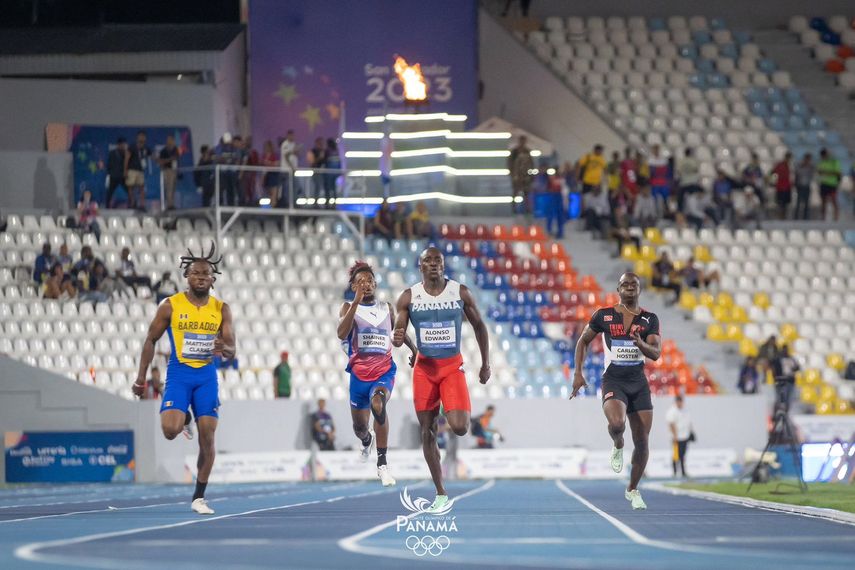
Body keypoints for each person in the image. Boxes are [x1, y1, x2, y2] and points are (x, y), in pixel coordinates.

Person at [132, 243, 235, 515]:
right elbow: (150, 339)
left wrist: (223, 348)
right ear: (187, 276)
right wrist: (141, 378)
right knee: (169, 431)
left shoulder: (221, 308)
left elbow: (232, 349)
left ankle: (199, 496)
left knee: (207, 438)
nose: (201, 277)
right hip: (179, 374)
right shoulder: (170, 305)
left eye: (206, 274)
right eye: (196, 273)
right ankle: (185, 418)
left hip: (206, 377)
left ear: (213, 279)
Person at [393, 247, 491, 512]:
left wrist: (486, 363)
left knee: (460, 427)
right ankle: (440, 492)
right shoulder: (408, 296)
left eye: (438, 260)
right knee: (427, 431)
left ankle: (451, 405)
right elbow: (399, 330)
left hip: (450, 367)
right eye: (428, 260)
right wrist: (401, 340)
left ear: (444, 265)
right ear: (420, 265)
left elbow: (480, 326)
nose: (434, 264)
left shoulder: (460, 292)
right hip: (425, 370)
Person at [571, 273, 662, 510]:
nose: (630, 287)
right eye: (625, 284)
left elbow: (655, 353)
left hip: (638, 383)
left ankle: (632, 489)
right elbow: (583, 341)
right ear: (618, 289)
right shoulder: (604, 315)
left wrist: (641, 344)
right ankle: (618, 443)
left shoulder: (649, 319)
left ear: (639, 290)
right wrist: (578, 373)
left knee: (642, 441)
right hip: (614, 380)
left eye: (634, 284)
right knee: (618, 424)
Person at [338, 262, 417, 486]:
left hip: (383, 371)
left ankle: (382, 465)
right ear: (353, 286)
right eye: (360, 282)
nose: (367, 284)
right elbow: (341, 333)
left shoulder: (386, 308)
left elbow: (398, 333)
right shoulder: (347, 307)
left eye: (370, 281)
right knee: (359, 428)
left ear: (375, 284)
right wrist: (355, 302)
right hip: (358, 377)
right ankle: (367, 440)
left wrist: (414, 350)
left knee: (379, 404)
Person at [666, 395, 693, 478]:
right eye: (679, 401)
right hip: (676, 437)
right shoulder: (672, 411)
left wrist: (690, 433)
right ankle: (674, 472)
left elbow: (688, 422)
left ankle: (683, 472)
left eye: (681, 401)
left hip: (685, 436)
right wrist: (675, 435)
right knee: (676, 455)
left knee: (683, 455)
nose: (680, 403)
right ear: (676, 402)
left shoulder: (685, 410)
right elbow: (671, 424)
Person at [509, 136, 534, 215]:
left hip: (525, 175)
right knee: (515, 192)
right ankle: (514, 208)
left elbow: (531, 164)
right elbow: (510, 163)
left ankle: (527, 208)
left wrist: (530, 174)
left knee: (526, 193)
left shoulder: (527, 151)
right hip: (517, 175)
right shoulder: (515, 151)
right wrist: (513, 174)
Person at [126, 130, 151, 211]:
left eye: (143, 137)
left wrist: (161, 161)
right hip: (132, 170)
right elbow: (127, 158)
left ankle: (142, 205)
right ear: (137, 137)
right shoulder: (132, 147)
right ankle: (132, 203)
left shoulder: (146, 148)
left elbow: (153, 156)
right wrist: (125, 170)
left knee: (141, 187)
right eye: (140, 137)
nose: (142, 138)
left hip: (140, 171)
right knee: (130, 187)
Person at [817, 148, 841, 221]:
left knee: (834, 201)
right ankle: (823, 218)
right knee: (823, 202)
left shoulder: (834, 161)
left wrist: (826, 173)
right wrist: (829, 173)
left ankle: (836, 218)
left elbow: (837, 173)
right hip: (823, 184)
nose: (823, 157)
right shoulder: (821, 162)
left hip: (832, 184)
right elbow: (819, 172)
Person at [159, 134, 180, 210]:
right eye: (168, 140)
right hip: (167, 171)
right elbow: (161, 161)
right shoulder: (164, 151)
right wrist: (169, 159)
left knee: (173, 188)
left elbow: (176, 158)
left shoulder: (175, 149)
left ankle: (172, 203)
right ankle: (169, 205)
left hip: (174, 170)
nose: (170, 141)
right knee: (169, 188)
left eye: (171, 140)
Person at [106, 137, 129, 208]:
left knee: (129, 191)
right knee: (110, 192)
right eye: (122, 144)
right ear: (118, 145)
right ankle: (107, 206)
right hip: (114, 176)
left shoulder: (127, 153)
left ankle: (133, 204)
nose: (123, 146)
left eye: (124, 144)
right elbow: (109, 164)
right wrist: (110, 172)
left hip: (123, 176)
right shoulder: (112, 153)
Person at [771, 152, 793, 220]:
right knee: (780, 203)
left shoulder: (789, 165)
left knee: (786, 204)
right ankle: (780, 217)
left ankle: (784, 217)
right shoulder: (780, 165)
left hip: (787, 187)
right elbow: (773, 172)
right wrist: (773, 181)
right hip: (780, 187)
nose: (788, 159)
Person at [794, 153, 815, 220]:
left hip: (807, 186)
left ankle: (805, 218)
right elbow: (797, 173)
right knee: (798, 202)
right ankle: (796, 217)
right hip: (800, 186)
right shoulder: (800, 165)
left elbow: (812, 175)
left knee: (806, 203)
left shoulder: (811, 167)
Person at [261, 140, 281, 207]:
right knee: (268, 192)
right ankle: (269, 206)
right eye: (265, 147)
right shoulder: (264, 155)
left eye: (268, 146)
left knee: (274, 192)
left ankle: (273, 205)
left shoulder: (275, 155)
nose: (266, 148)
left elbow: (277, 163)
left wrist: (269, 163)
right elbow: (262, 163)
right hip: (266, 175)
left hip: (274, 174)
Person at [324, 138, 341, 208]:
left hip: (329, 173)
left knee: (328, 188)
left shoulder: (328, 151)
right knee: (333, 188)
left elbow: (325, 160)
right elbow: (339, 162)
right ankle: (333, 203)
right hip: (335, 172)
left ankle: (329, 203)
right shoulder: (336, 151)